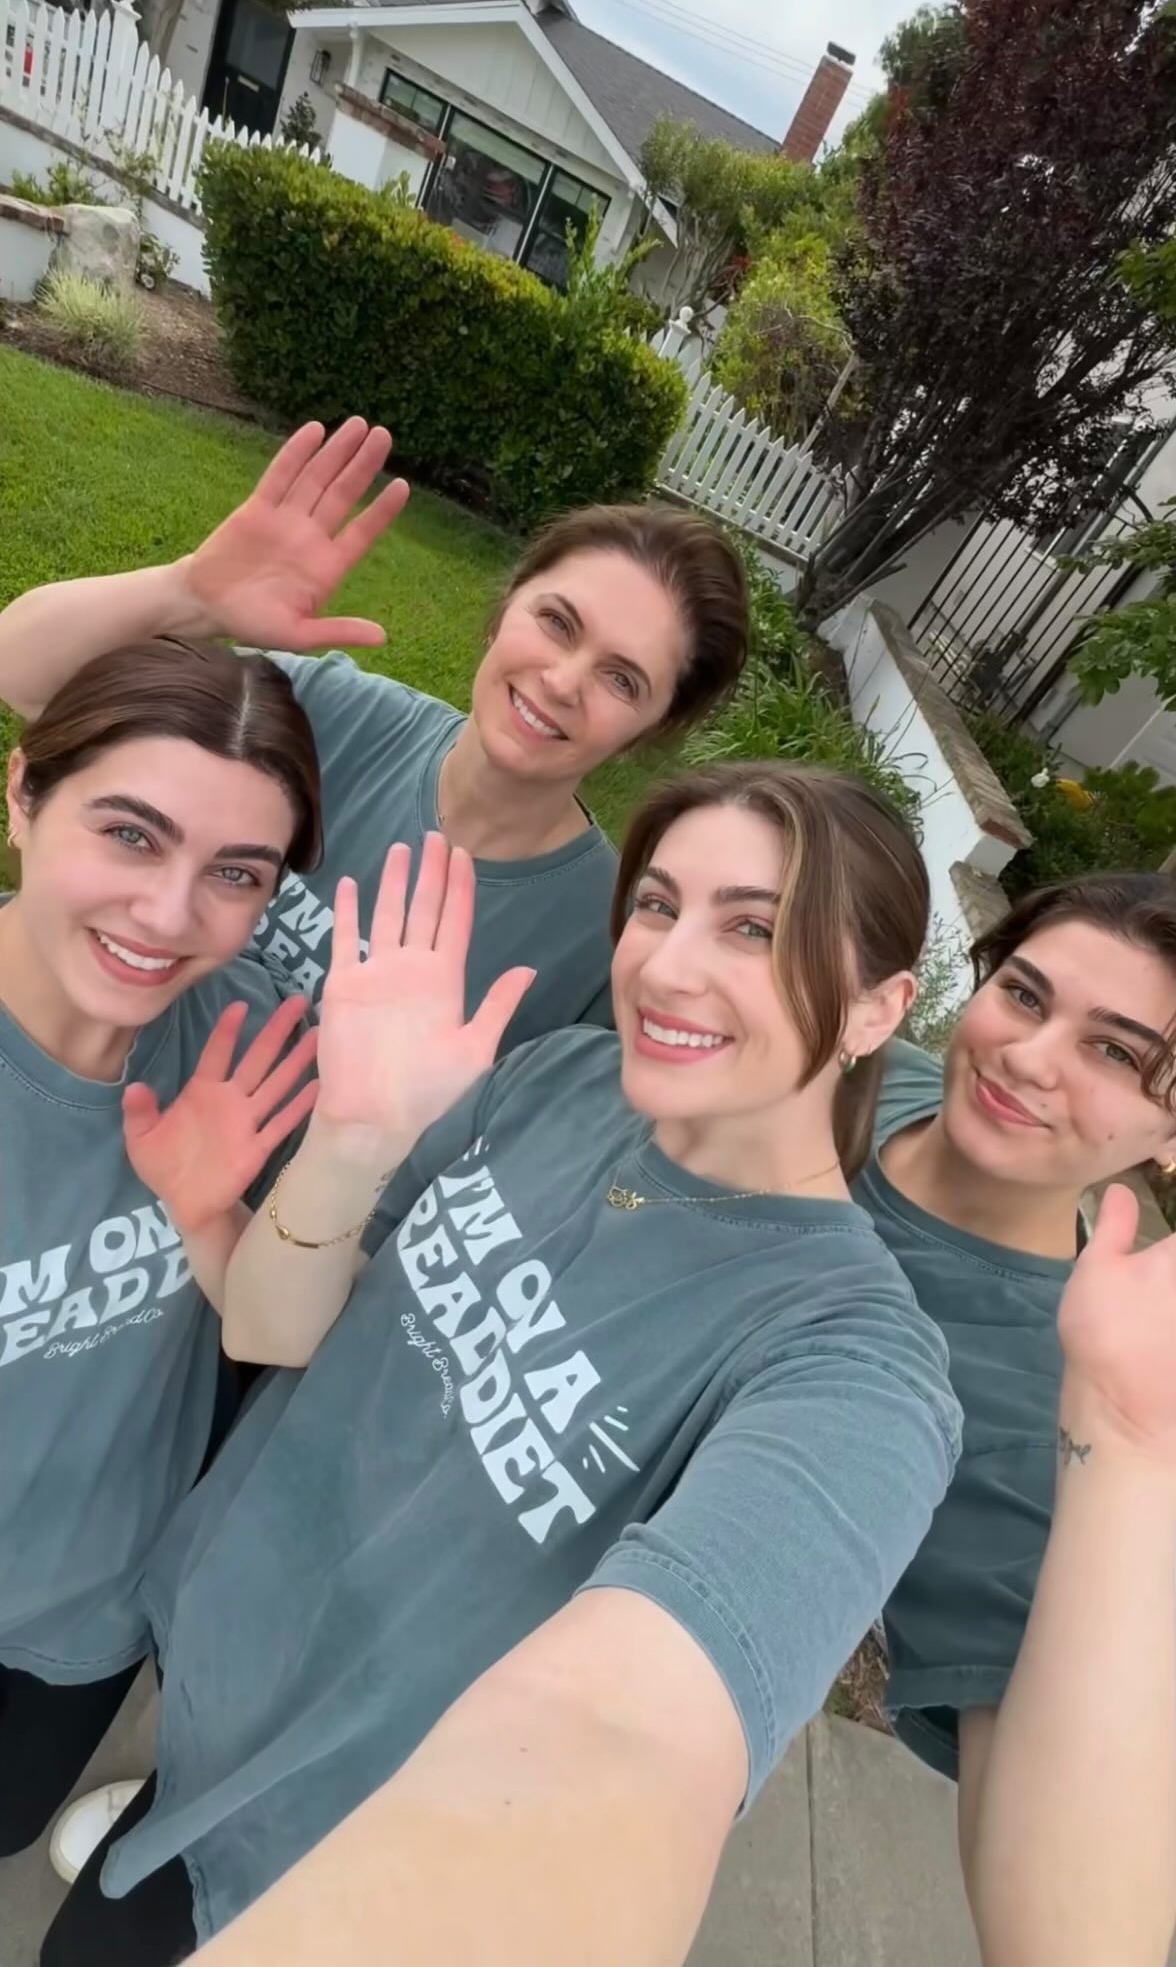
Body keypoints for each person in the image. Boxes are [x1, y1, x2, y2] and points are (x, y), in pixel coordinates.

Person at [40, 761, 962, 1967]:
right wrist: (354, 1134)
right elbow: (273, 1329)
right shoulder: (555, 1081)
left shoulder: (850, 1359)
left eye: (753, 926)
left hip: (339, 1846)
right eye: (656, 903)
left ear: (876, 1009)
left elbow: (631, 1736)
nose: (668, 964)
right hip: (217, 1675)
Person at [0, 419, 749, 1043]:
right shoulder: (325, 714)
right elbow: (26, 676)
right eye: (556, 622)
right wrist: (186, 593)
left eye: (622, 679)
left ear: (654, 727)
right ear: (503, 610)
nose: (561, 680)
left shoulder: (602, 942)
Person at [0, 637, 323, 1876]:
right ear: (21, 794)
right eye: (129, 833)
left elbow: (279, 1338)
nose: (168, 913)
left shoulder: (253, 1043)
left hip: (92, 1612)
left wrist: (210, 1213)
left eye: (235, 872)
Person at [857, 872, 1176, 1967]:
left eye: (1115, 1053)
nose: (1029, 1058)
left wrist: (1127, 1445)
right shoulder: (854, 1074)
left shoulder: (1042, 1394)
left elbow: (1070, 1934)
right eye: (1024, 995)